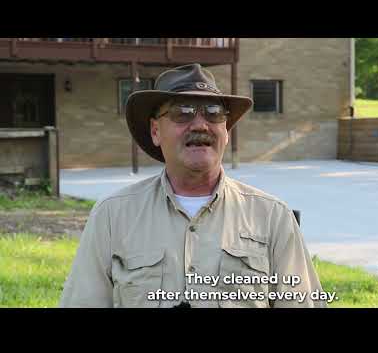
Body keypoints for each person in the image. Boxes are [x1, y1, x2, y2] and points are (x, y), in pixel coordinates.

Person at [59, 63, 326, 308]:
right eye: (182, 113)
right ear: (155, 131)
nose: (200, 125)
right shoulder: (112, 216)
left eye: (213, 113)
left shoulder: (272, 217)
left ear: (226, 131)